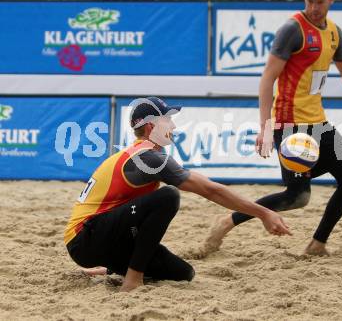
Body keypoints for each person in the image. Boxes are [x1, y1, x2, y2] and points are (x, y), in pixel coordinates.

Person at [203, 0, 342, 257]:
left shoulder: (334, 32)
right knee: (297, 197)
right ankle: (227, 222)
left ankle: (317, 244)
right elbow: (267, 79)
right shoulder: (292, 29)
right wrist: (266, 127)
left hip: (319, 124)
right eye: (309, 0)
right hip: (290, 126)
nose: (314, 7)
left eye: (320, 1)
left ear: (332, 0)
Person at [65, 97, 291, 292]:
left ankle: (111, 268)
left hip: (107, 236)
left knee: (183, 273)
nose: (173, 125)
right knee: (168, 197)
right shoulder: (147, 158)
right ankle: (133, 280)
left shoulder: (147, 153)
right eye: (167, 119)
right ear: (151, 127)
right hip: (85, 238)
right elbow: (211, 190)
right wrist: (263, 213)